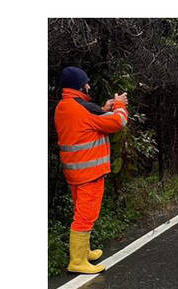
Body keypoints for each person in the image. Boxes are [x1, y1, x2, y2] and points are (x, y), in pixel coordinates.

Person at [54, 66, 129, 274]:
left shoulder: (65, 106)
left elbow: (89, 122)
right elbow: (118, 122)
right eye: (86, 82)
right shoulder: (81, 108)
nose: (88, 85)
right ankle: (77, 261)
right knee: (86, 215)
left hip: (76, 171)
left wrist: (104, 109)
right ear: (79, 85)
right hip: (90, 173)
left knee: (81, 211)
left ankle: (84, 252)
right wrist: (120, 105)